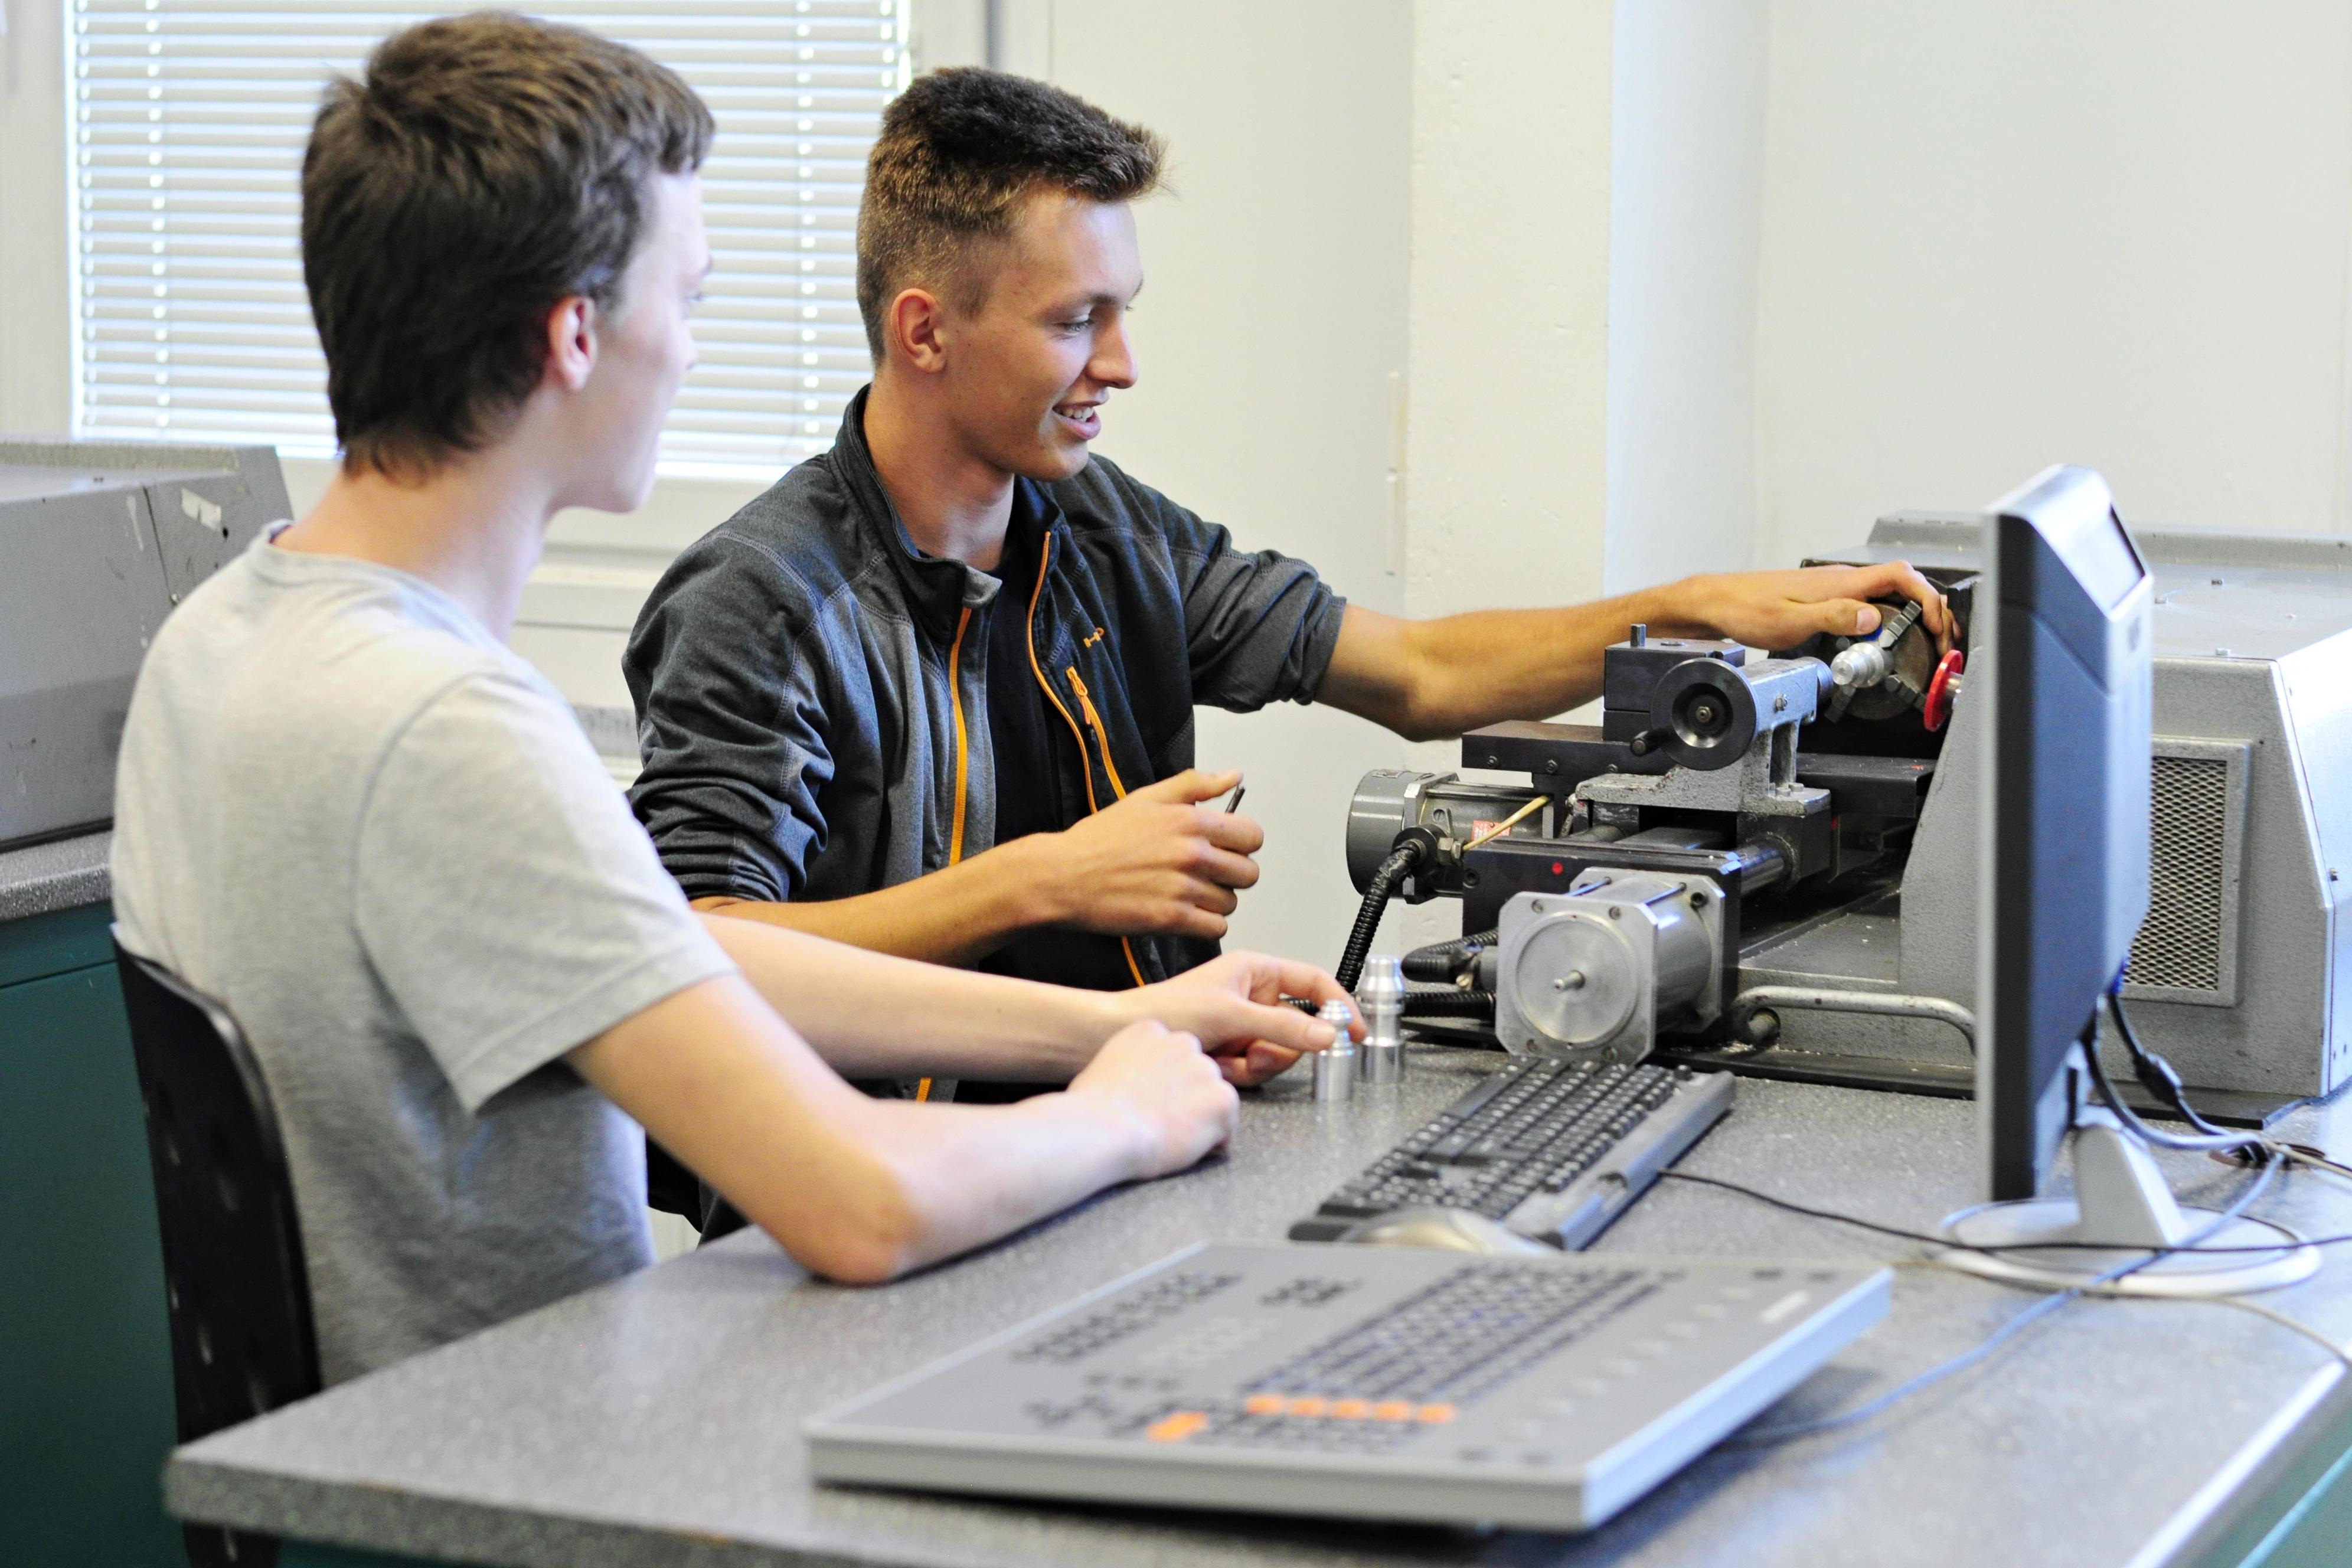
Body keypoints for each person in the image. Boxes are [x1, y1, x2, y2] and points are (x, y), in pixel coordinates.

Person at [108, 15, 1344, 1387]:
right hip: (543, 1459)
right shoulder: (447, 732)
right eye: (685, 299)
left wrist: (1112, 1027)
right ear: (576, 335)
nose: (692, 351)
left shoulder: (220, 639)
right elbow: (861, 1201)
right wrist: (1124, 1114)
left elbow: (705, 964)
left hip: (361, 1445)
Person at [623, 67, 1952, 1008]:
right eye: (1077, 321)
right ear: (926, 331)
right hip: (880, 1179)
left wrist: (1704, 606)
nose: (1122, 365)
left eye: (1123, 312)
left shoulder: (1108, 532)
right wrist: (1046, 882)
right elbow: (703, 951)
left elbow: (1418, 673)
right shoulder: (763, 597)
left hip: (1125, 1123)